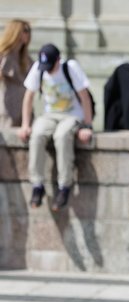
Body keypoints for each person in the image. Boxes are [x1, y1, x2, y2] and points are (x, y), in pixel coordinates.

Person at [18, 43, 93, 211]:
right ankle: (37, 184)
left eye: (51, 66)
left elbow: (85, 97)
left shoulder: (70, 67)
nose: (48, 70)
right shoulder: (39, 68)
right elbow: (28, 97)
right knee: (36, 135)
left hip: (72, 115)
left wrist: (87, 125)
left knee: (62, 136)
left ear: (58, 60)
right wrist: (25, 124)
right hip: (49, 114)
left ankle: (64, 186)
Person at [0, 19, 32, 128]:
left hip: (24, 106)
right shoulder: (3, 55)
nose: (28, 34)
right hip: (8, 105)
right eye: (25, 30)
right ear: (15, 31)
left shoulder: (25, 58)